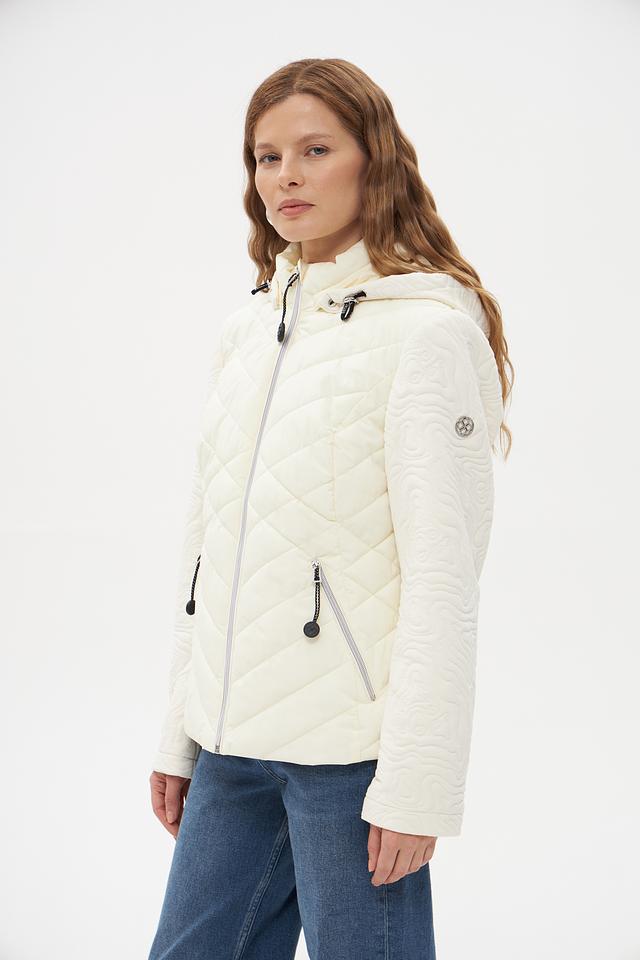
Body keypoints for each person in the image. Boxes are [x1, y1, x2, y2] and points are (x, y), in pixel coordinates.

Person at [147, 57, 513, 960]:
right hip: (230, 746)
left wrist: (418, 785)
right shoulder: (248, 331)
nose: (287, 176)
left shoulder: (427, 332)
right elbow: (207, 550)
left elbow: (443, 577)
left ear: (373, 159)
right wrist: (179, 733)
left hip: (351, 762)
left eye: (315, 150)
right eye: (266, 157)